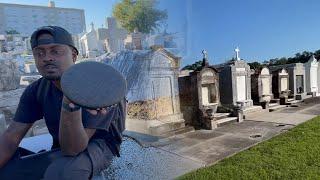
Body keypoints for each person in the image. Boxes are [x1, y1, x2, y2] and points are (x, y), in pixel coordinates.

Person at [0, 26, 126, 180]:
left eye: (55, 51)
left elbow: (73, 149)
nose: (47, 58)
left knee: (64, 172)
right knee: (8, 171)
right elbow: (11, 136)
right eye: (40, 53)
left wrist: (69, 104)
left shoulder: (98, 85)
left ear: (73, 55)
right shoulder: (36, 90)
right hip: (61, 147)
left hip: (100, 146)